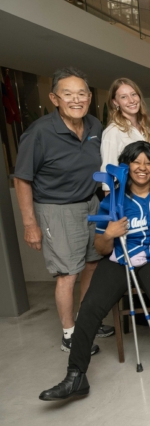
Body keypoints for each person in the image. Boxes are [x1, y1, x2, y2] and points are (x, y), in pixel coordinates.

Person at [39, 142, 150, 401]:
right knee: (90, 306)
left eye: (148, 162)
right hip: (120, 259)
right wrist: (109, 234)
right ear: (126, 166)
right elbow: (100, 248)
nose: (142, 168)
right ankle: (76, 377)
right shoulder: (112, 202)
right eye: (136, 162)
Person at [14, 67, 112, 355]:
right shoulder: (39, 132)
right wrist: (30, 223)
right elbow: (22, 179)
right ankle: (70, 335)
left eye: (82, 93)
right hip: (56, 209)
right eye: (68, 94)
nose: (76, 99)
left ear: (90, 97)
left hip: (90, 204)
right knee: (67, 273)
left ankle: (86, 321)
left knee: (93, 264)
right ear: (55, 98)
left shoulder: (95, 126)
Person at [100, 78, 150, 192]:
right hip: (125, 197)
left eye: (133, 94)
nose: (131, 100)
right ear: (115, 102)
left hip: (148, 194)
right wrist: (111, 206)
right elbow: (108, 173)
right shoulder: (113, 131)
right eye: (123, 97)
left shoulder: (146, 129)